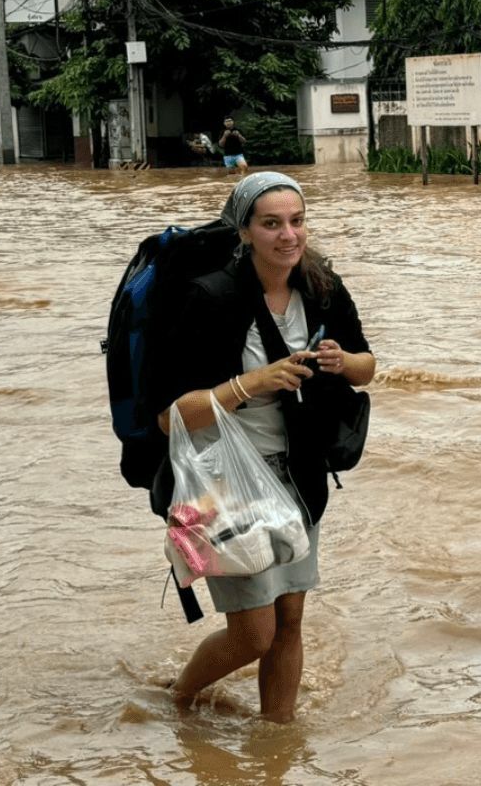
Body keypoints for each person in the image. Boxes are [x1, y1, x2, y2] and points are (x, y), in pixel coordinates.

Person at [145, 171, 376, 721]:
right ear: (244, 231)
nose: (288, 236)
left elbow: (367, 367)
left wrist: (342, 362)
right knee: (253, 633)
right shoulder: (209, 298)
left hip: (300, 476)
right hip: (225, 484)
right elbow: (168, 418)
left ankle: (278, 739)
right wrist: (253, 383)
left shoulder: (322, 287)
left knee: (290, 623)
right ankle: (177, 700)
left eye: (297, 221)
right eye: (271, 224)